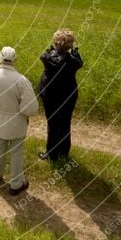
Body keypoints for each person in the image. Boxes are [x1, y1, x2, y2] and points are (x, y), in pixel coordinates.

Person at [0, 46, 39, 195]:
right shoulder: (22, 80)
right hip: (17, 123)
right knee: (16, 152)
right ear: (15, 60)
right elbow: (31, 108)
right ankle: (16, 185)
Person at [38, 28, 83, 162]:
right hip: (68, 95)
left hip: (50, 95)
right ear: (70, 45)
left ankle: (51, 153)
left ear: (55, 43)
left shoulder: (47, 57)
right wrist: (75, 53)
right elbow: (80, 63)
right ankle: (63, 152)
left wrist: (51, 49)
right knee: (65, 123)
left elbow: (43, 54)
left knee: (52, 123)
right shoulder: (73, 62)